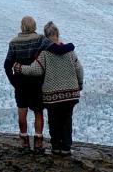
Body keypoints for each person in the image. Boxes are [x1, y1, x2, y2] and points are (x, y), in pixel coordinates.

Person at [14, 21, 83, 155]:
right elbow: (79, 69)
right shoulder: (70, 52)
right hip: (71, 94)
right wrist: (79, 84)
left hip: (52, 95)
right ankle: (66, 147)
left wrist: (19, 68)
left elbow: (36, 70)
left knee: (54, 120)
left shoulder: (44, 53)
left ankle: (56, 146)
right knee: (67, 119)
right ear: (57, 34)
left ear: (45, 36)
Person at [4, 15, 46, 152]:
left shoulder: (14, 43)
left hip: (21, 83)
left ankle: (24, 141)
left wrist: (14, 81)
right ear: (34, 26)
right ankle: (38, 141)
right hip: (36, 82)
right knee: (38, 112)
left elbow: (7, 65)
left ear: (22, 26)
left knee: (22, 110)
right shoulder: (40, 40)